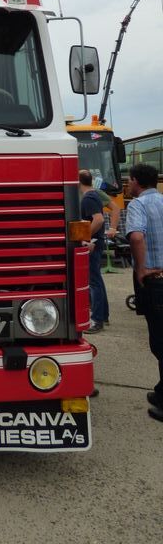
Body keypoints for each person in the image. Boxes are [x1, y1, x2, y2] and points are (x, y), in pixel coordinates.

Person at [125, 163, 163, 422]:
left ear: (137, 181)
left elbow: (137, 237)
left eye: (129, 180)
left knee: (160, 341)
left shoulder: (137, 205)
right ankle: (161, 391)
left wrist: (142, 268)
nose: (127, 185)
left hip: (156, 281)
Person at [79, 169, 108, 333]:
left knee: (94, 282)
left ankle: (97, 319)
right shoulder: (95, 194)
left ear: (78, 182)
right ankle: (103, 315)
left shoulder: (88, 198)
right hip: (97, 242)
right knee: (97, 279)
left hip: (93, 244)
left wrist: (86, 238)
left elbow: (98, 219)